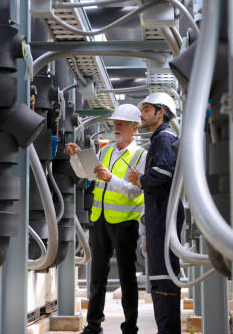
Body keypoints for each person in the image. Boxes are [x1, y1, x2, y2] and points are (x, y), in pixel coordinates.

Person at [65, 104, 147, 334]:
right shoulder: (106, 151)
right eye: (115, 123)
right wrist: (75, 159)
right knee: (97, 275)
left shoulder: (141, 155)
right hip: (100, 219)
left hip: (125, 223)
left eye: (122, 124)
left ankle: (130, 327)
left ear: (134, 128)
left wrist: (110, 178)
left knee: (127, 276)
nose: (116, 127)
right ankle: (93, 326)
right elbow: (87, 175)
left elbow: (135, 191)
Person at [128, 92, 184, 334]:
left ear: (161, 113)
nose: (142, 114)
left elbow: (163, 173)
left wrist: (140, 178)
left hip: (164, 216)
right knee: (161, 274)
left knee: (164, 275)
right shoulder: (160, 138)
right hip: (160, 215)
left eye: (147, 110)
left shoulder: (164, 138)